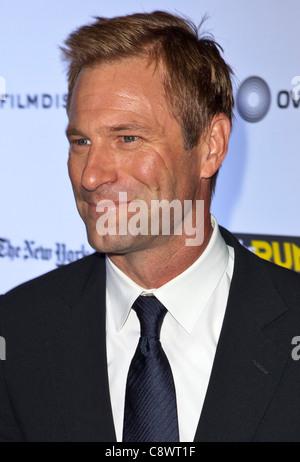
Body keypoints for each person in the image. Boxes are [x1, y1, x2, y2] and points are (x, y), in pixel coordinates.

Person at [0, 11, 300, 443]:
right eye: (81, 141)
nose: (90, 176)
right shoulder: (19, 331)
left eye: (128, 138)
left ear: (210, 146)